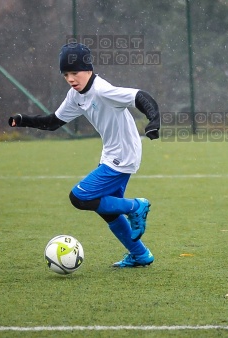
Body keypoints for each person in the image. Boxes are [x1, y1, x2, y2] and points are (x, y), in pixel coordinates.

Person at [9, 43, 160, 268]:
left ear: (88, 69)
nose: (70, 78)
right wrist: (24, 120)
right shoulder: (76, 95)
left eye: (75, 72)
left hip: (123, 156)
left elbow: (141, 96)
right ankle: (140, 255)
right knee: (107, 210)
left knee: (80, 197)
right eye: (66, 74)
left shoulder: (102, 90)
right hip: (111, 154)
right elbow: (53, 123)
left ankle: (136, 207)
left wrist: (153, 120)